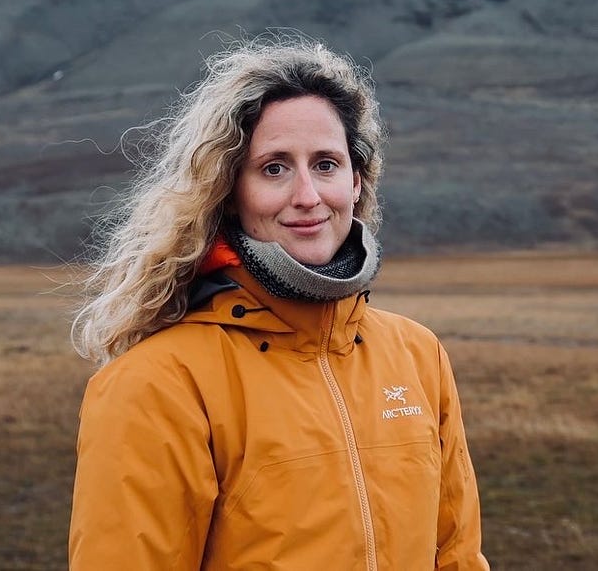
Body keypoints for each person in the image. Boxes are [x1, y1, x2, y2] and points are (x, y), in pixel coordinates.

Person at [68, 36, 489, 570]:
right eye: (274, 168)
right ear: (228, 191)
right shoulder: (159, 383)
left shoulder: (416, 354)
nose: (308, 195)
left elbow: (456, 554)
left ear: (357, 182)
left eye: (327, 164)